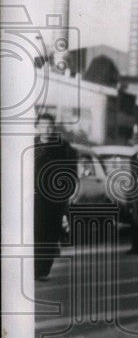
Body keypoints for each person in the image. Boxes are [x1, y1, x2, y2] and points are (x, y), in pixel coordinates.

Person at [33, 112, 77, 280]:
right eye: (43, 125)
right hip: (34, 197)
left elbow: (71, 171)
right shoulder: (30, 146)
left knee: (50, 234)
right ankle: (34, 268)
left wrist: (67, 191)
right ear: (37, 127)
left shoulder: (63, 147)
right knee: (35, 233)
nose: (47, 129)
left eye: (50, 126)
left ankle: (42, 270)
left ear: (54, 128)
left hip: (54, 198)